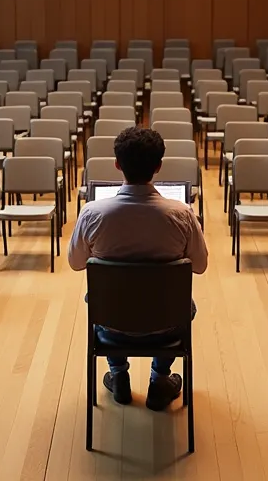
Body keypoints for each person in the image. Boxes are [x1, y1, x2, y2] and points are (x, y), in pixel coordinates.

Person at [68, 127, 208, 411]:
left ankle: (118, 374)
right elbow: (201, 266)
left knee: (102, 297)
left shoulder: (93, 213)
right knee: (184, 303)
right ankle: (159, 379)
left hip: (112, 325)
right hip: (167, 327)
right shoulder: (182, 214)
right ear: (158, 166)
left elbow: (75, 263)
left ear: (117, 164)